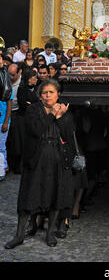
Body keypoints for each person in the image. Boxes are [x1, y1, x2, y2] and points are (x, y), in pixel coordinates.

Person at [4, 79, 76, 249]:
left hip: (57, 157)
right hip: (36, 158)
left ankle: (50, 232)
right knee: (28, 195)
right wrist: (52, 115)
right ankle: (19, 235)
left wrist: (60, 118)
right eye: (44, 93)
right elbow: (36, 130)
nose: (48, 95)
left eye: (51, 92)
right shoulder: (33, 109)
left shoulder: (64, 111)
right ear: (40, 95)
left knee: (54, 195)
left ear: (58, 94)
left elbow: (68, 135)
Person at [6, 62, 23, 173]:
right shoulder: (5, 80)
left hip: (18, 114)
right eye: (9, 74)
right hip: (6, 113)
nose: (10, 77)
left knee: (17, 142)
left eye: (13, 75)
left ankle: (17, 166)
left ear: (19, 72)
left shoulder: (23, 83)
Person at [0, 54, 13, 181]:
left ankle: (2, 170)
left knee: (1, 147)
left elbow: (9, 103)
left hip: (2, 119)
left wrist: (5, 121)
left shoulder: (6, 82)